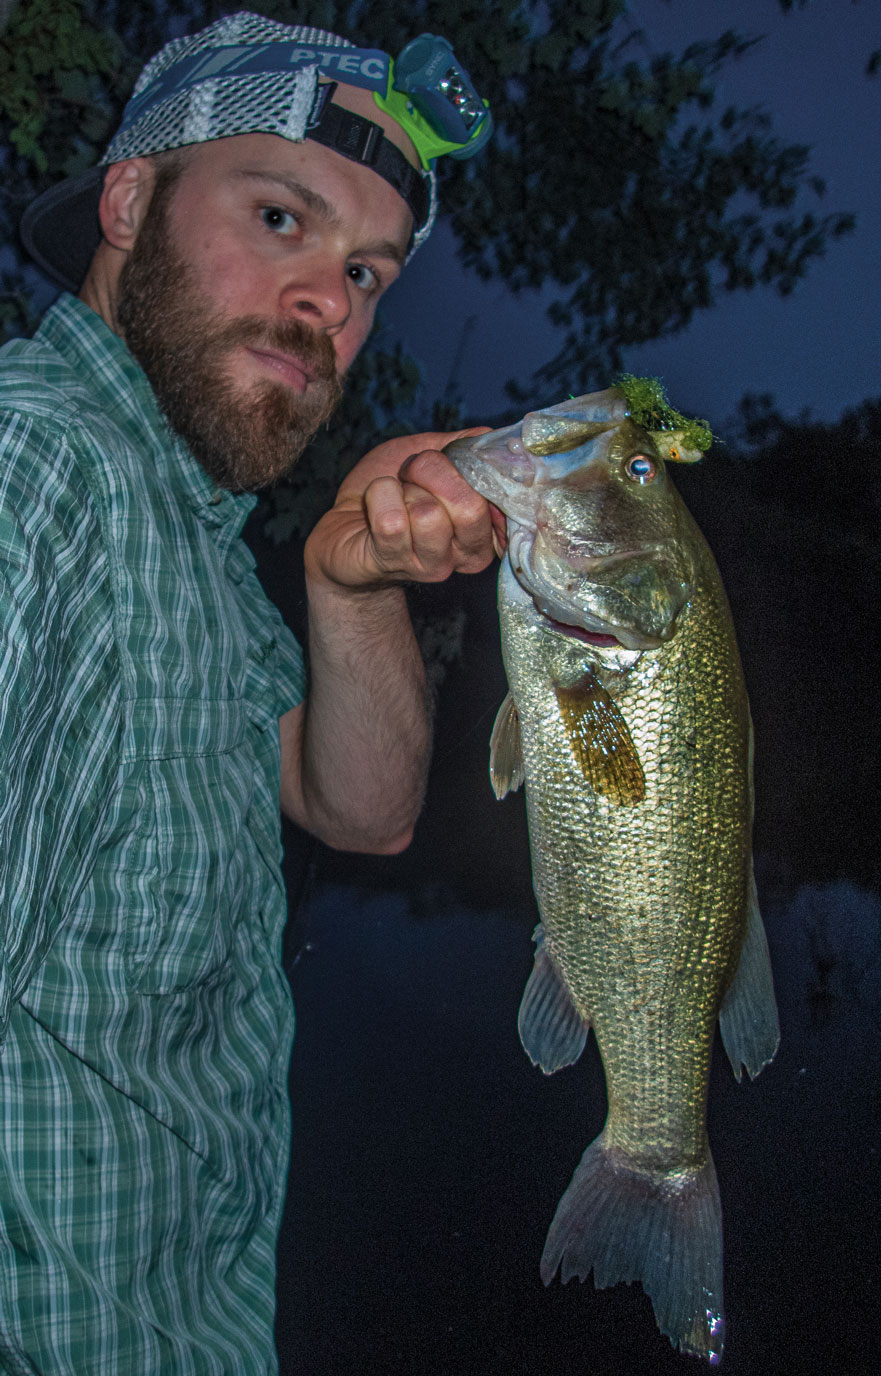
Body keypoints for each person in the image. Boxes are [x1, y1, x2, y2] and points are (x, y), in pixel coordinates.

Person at [0, 12, 501, 1373]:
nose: (334, 299)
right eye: (281, 215)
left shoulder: (194, 541)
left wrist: (352, 582)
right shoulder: (35, 475)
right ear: (128, 196)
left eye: (367, 271)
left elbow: (365, 812)